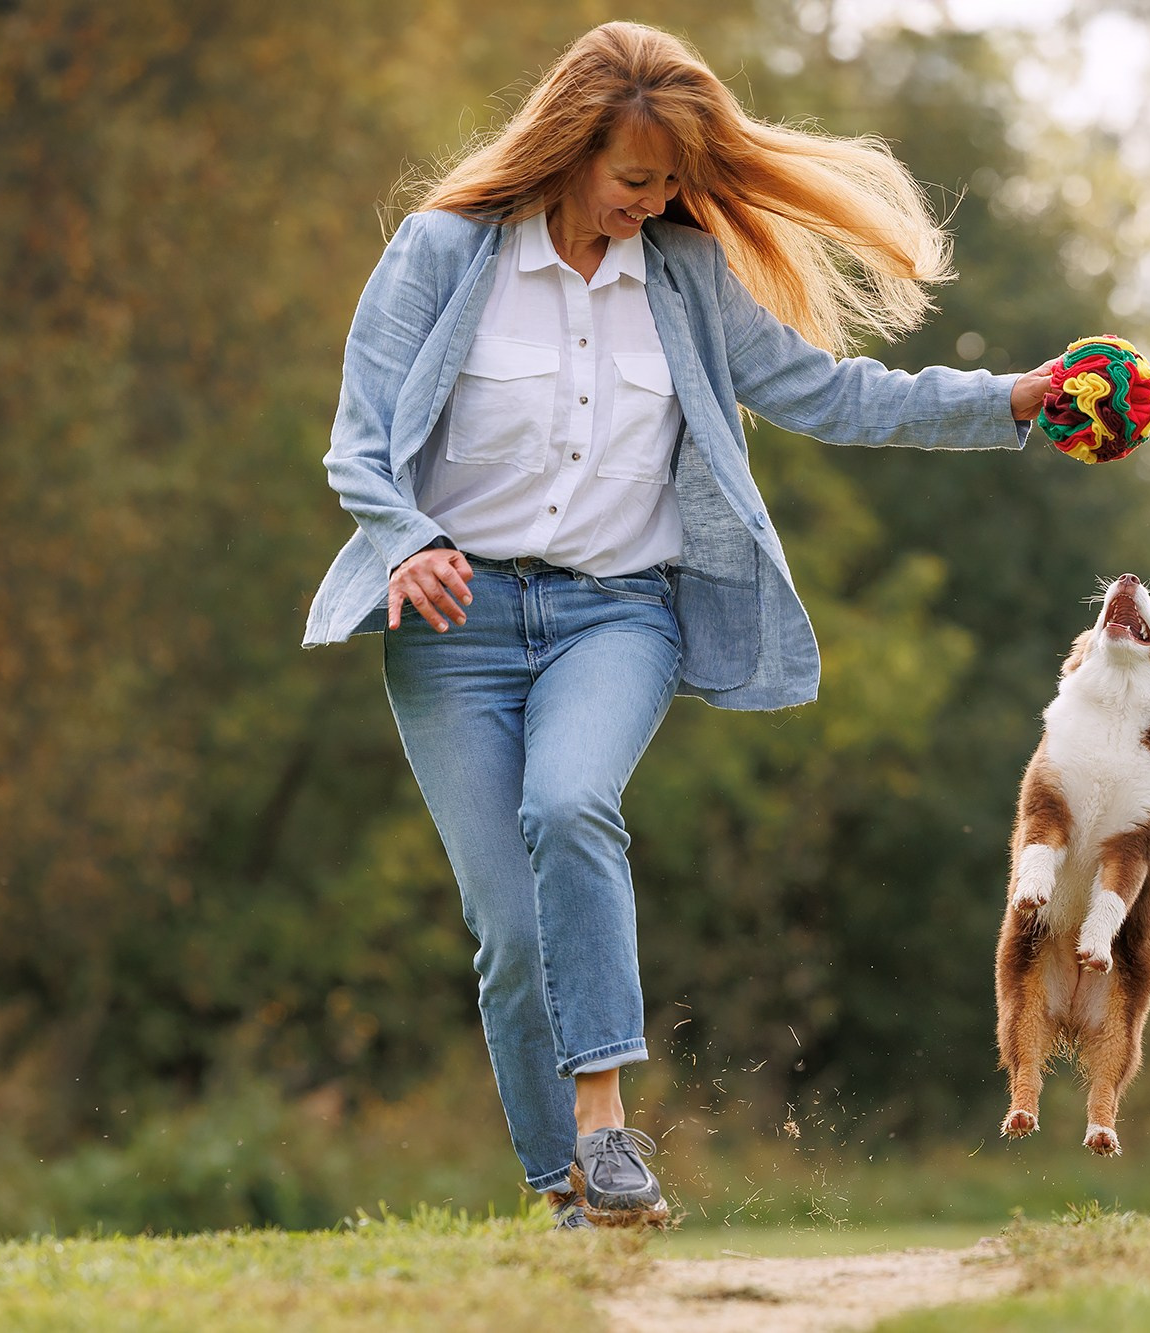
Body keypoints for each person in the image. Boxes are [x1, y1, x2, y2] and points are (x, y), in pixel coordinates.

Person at [302, 20, 1055, 1229]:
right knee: (505, 931)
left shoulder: (685, 277)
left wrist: (1010, 402)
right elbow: (359, 443)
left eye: (671, 187)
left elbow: (832, 392)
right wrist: (411, 543)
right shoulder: (445, 254)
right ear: (565, 146)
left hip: (617, 611)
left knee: (569, 803)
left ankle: (603, 1132)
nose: (651, 206)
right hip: (456, 628)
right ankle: (565, 1198)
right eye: (634, 181)